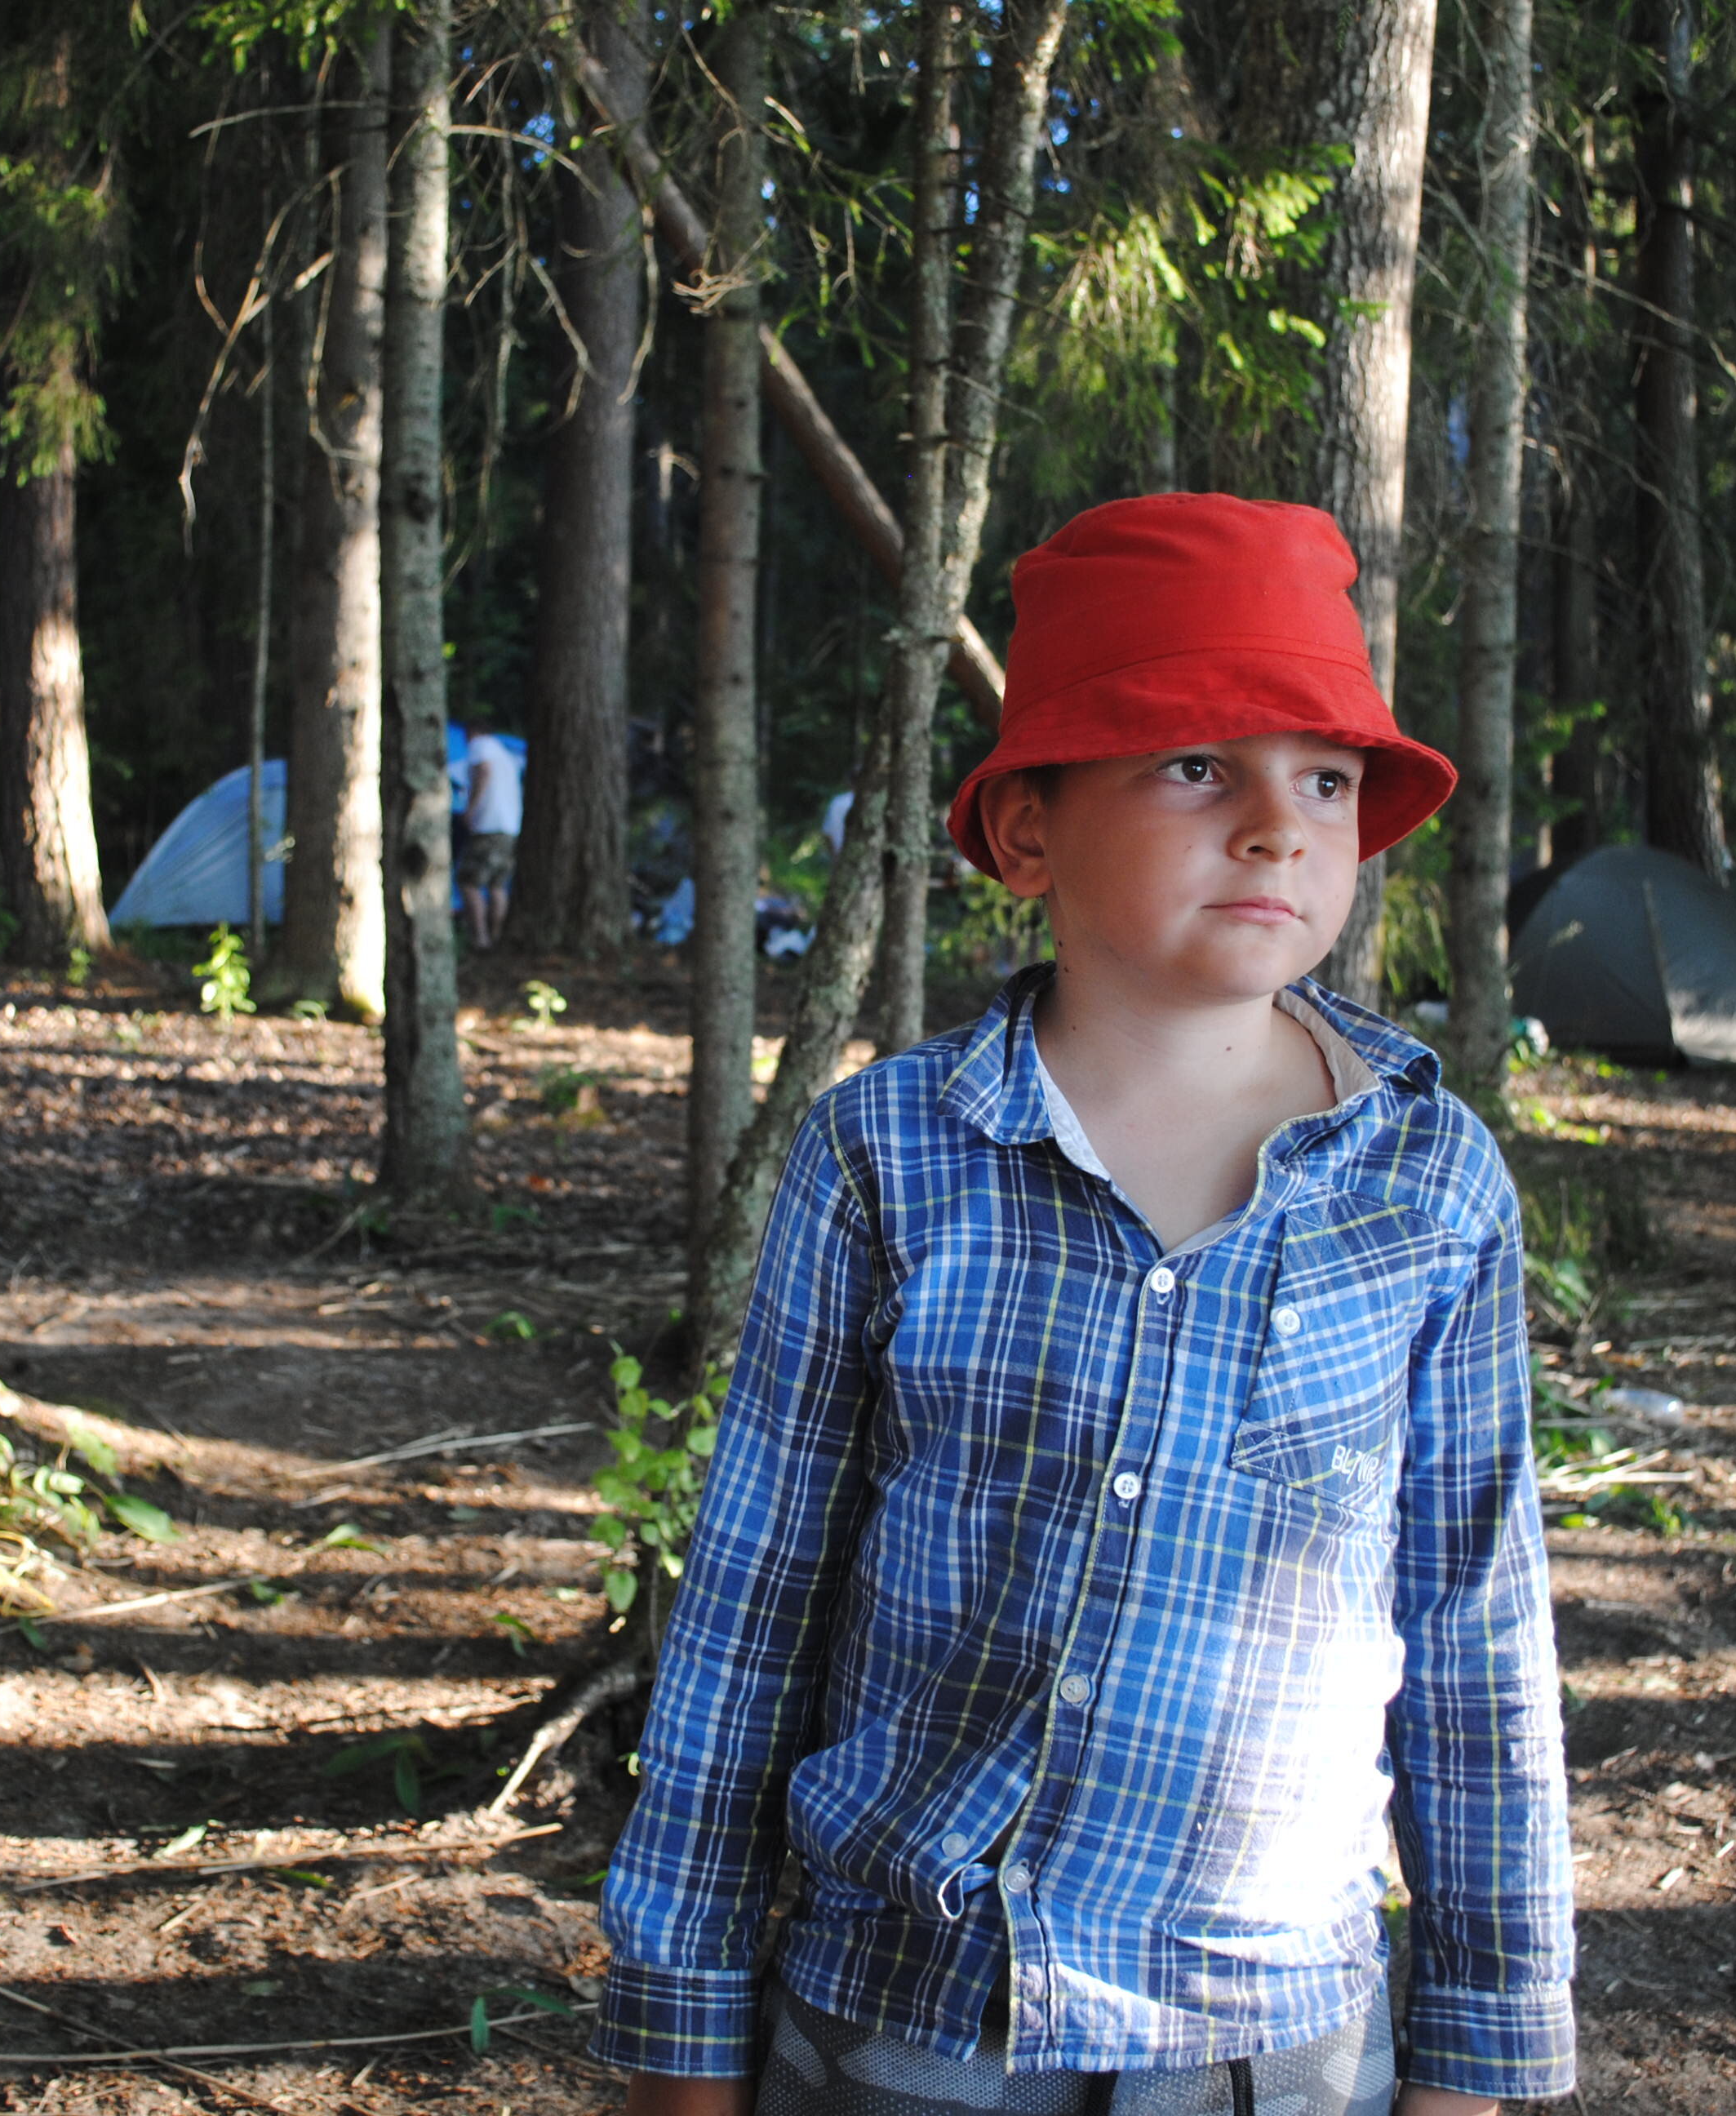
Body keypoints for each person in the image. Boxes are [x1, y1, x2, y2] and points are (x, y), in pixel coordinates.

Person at [592, 494, 1574, 2116]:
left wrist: (1481, 2051)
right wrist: (681, 2029)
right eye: (1196, 765)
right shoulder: (888, 1155)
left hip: (1272, 2045)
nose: (1277, 826)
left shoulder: (1427, 1184)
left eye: (1325, 780)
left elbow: (1479, 1640)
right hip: (905, 2022)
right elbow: (750, 1610)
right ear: (1026, 827)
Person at [459, 731, 522, 949]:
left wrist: (471, 808)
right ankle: (497, 938)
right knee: (497, 885)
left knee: (469, 882)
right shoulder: (505, 754)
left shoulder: (481, 745)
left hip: (488, 827)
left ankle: (481, 940)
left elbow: (484, 770)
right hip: (510, 830)